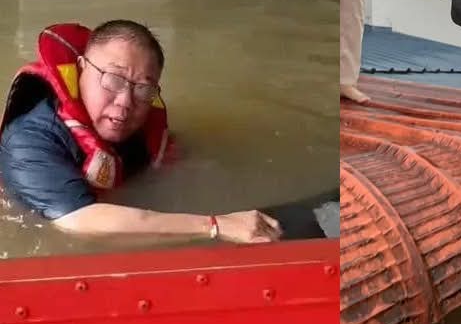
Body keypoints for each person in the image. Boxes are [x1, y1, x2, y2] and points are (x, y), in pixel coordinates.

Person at [0, 21, 282, 243]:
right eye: (112, 79)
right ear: (81, 69)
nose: (125, 102)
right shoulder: (28, 140)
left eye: (143, 88)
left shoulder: (137, 120)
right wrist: (215, 225)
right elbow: (78, 221)